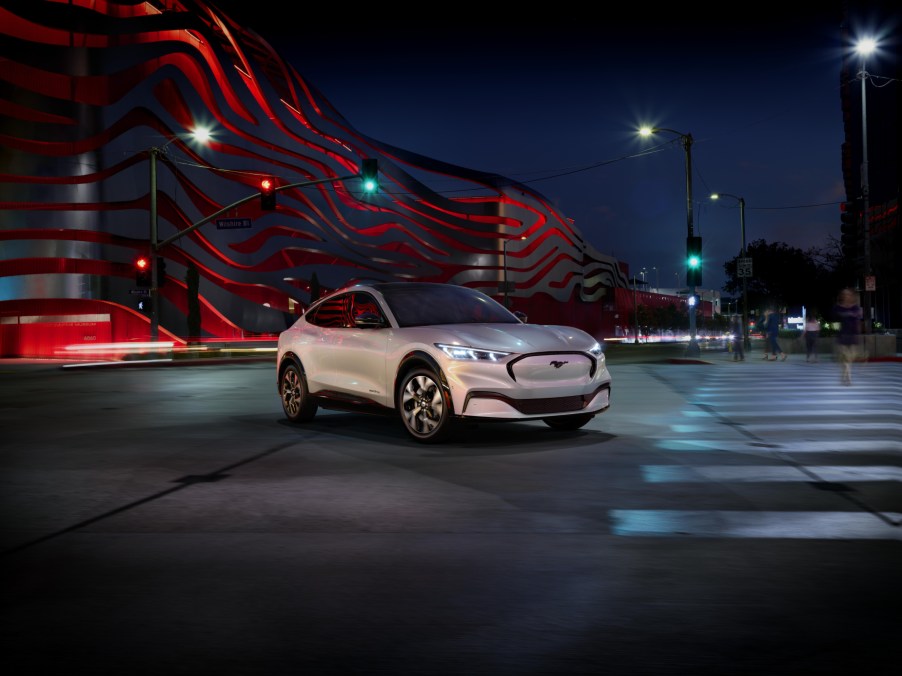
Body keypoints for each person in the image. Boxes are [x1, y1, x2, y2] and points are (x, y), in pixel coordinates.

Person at [833, 288, 862, 385]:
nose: (847, 296)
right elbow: (834, 320)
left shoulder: (855, 307)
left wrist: (858, 334)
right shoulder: (838, 307)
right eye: (845, 294)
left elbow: (858, 321)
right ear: (842, 296)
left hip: (853, 336)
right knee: (845, 358)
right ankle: (849, 378)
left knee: (849, 359)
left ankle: (843, 376)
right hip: (842, 335)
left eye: (849, 294)